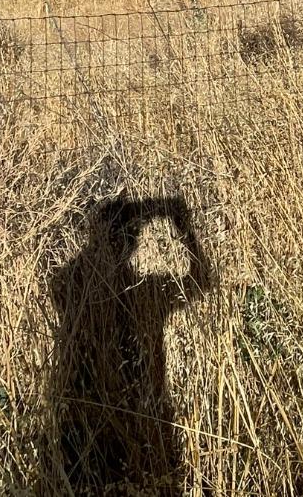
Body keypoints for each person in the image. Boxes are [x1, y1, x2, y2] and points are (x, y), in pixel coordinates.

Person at [49, 195, 211, 494]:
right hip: (134, 418)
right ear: (132, 242)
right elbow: (202, 279)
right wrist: (182, 225)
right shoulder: (146, 292)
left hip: (80, 413)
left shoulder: (67, 284)